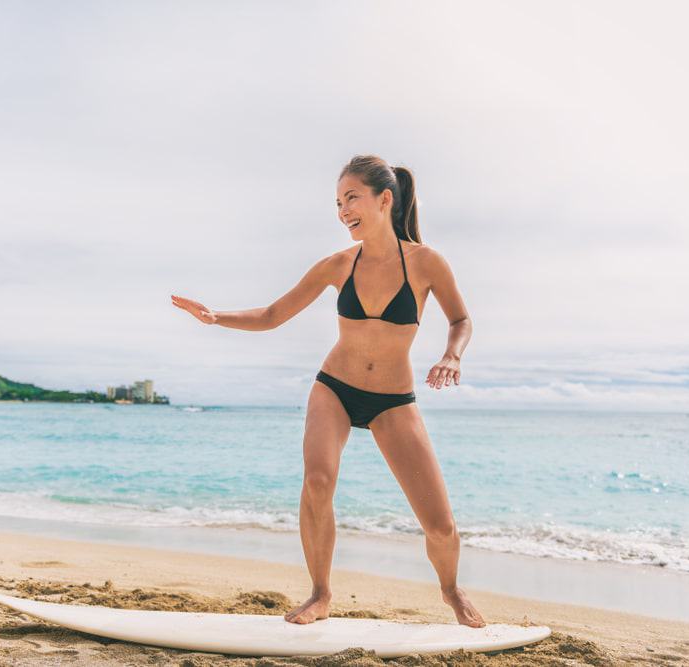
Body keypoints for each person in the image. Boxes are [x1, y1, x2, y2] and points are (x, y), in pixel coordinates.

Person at [170, 154, 485, 628]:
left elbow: (461, 319)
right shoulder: (338, 265)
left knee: (440, 525)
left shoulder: (426, 263)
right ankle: (320, 594)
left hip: (393, 401)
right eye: (338, 202)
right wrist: (217, 317)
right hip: (335, 388)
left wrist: (452, 355)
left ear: (384, 200)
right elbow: (274, 315)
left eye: (351, 198)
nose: (343, 210)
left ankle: (450, 589)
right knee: (317, 482)